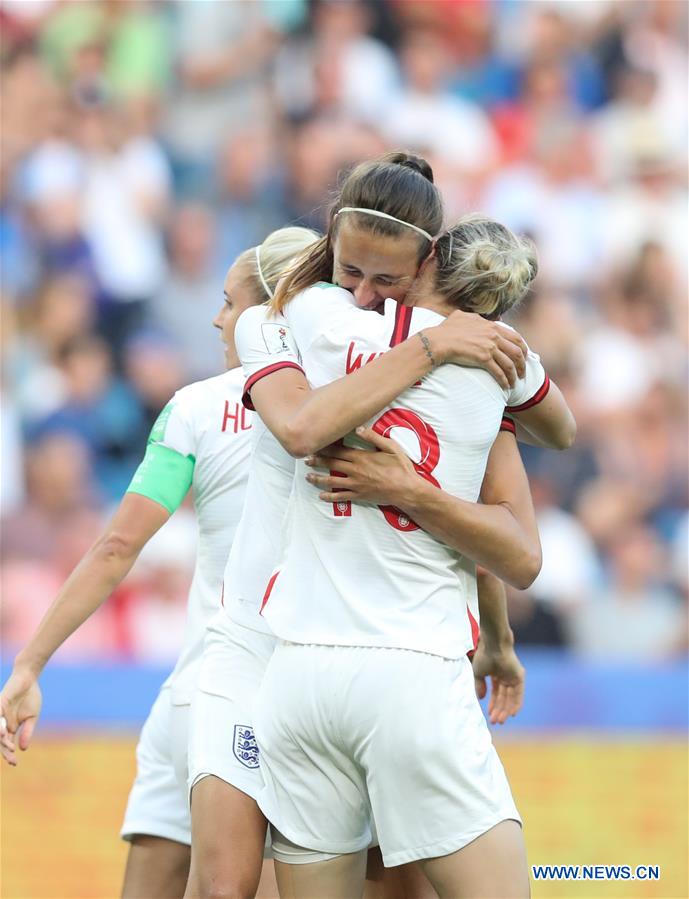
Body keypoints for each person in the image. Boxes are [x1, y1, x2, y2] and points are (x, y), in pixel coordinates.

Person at [185, 153, 573, 899]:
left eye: (381, 279)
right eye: (352, 272)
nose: (363, 293)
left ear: (423, 257)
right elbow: (557, 441)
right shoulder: (487, 356)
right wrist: (449, 351)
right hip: (413, 670)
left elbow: (299, 425)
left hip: (297, 675)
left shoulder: (294, 319)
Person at [0, 226, 320, 899]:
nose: (217, 317)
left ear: (272, 311)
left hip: (188, 695)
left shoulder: (196, 408)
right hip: (271, 697)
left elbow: (117, 546)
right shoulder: (345, 408)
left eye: (230, 303)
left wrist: (29, 663)